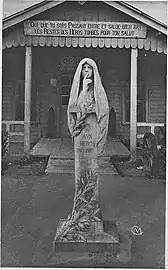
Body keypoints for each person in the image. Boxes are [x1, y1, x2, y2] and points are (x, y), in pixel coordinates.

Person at [67, 58, 109, 157]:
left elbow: (103, 110)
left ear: (94, 70)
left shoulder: (98, 89)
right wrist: (84, 90)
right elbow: (73, 108)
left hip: (94, 127)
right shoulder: (77, 89)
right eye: (84, 68)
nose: (86, 70)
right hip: (80, 128)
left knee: (92, 160)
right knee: (81, 159)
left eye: (89, 68)